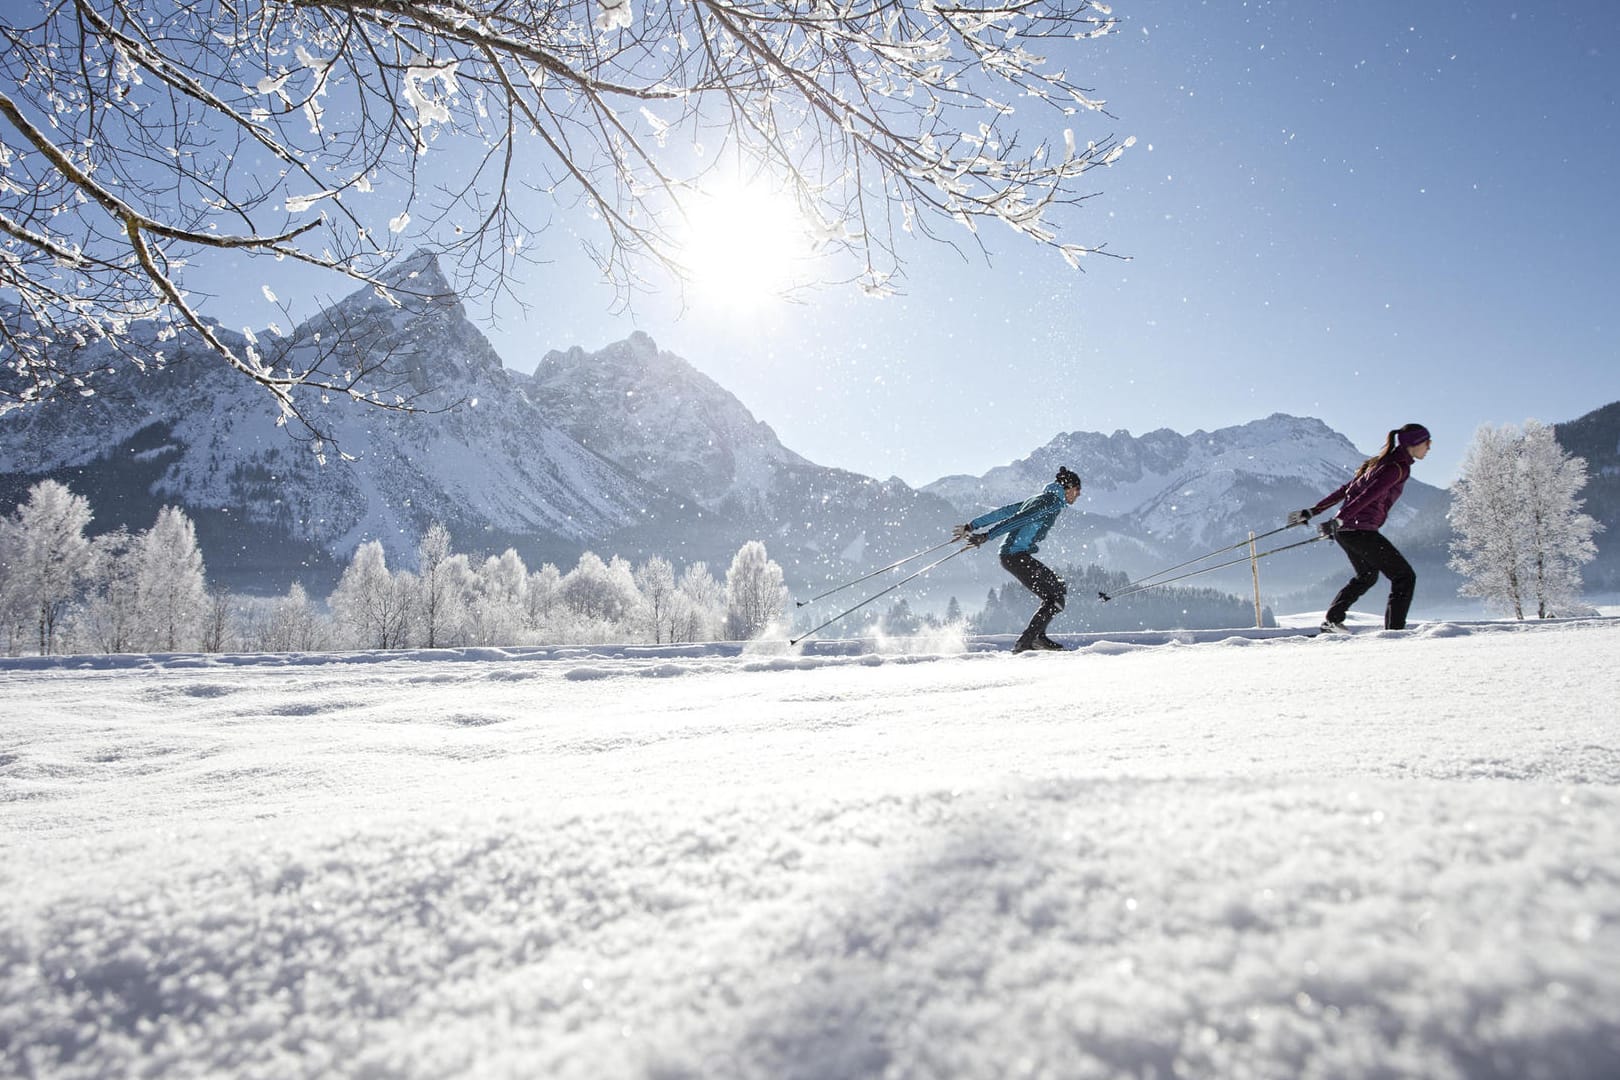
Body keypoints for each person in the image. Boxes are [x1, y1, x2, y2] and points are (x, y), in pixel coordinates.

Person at [1289, 423, 1432, 633]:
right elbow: (1369, 495)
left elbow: (1346, 490)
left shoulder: (1379, 464)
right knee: (1404, 577)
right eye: (1427, 442)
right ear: (1415, 443)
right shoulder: (1396, 468)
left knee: (1367, 575)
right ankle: (1394, 633)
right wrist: (1339, 519)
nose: (1429, 447)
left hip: (1347, 531)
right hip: (1359, 530)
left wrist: (1313, 511)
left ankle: (1333, 620)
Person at [954, 466, 1083, 653]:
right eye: (1077, 491)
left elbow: (1006, 511)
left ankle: (1037, 637)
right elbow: (1019, 519)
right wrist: (987, 536)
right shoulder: (1051, 502)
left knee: (1057, 589)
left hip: (1016, 556)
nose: (1078, 495)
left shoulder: (1040, 499)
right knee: (1055, 597)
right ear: (1068, 488)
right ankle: (1027, 642)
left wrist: (972, 525)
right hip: (1014, 556)